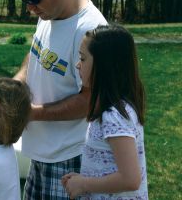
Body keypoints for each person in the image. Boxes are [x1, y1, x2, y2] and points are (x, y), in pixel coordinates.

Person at [12, 0, 108, 199]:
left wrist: (32, 114)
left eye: (33, 0)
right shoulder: (48, 12)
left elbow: (91, 100)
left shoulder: (91, 30)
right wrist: (17, 84)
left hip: (69, 158)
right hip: (41, 154)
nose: (29, 8)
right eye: (24, 1)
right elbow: (36, 52)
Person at [62, 24, 148, 199]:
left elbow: (130, 179)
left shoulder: (114, 117)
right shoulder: (114, 111)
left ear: (104, 65)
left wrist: (83, 184)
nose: (78, 65)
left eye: (83, 58)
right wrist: (82, 178)